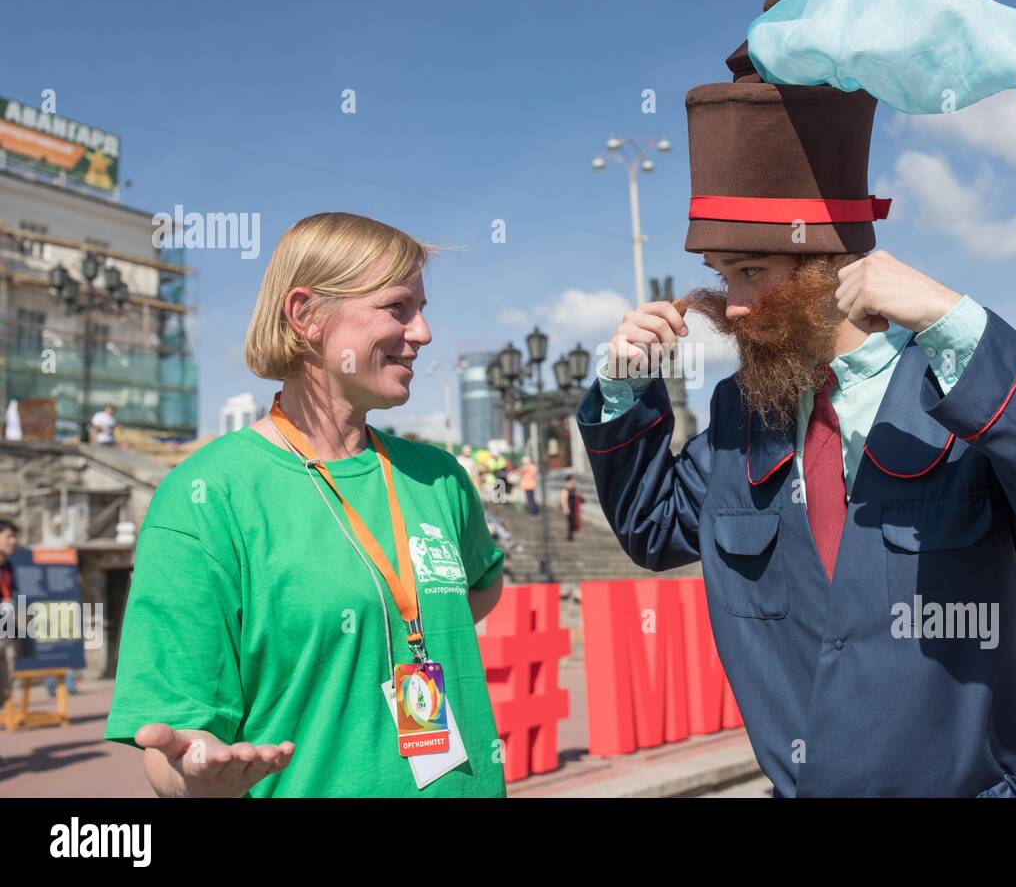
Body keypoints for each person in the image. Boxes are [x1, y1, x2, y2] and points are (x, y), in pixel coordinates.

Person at [576, 0, 1016, 797]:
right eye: (718, 271)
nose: (730, 305)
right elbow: (654, 530)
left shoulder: (962, 380)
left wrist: (958, 320)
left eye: (750, 269)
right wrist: (620, 391)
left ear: (829, 265)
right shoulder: (741, 412)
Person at [103, 212, 507, 797]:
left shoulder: (439, 477)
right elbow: (173, 744)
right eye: (398, 308)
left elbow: (482, 583)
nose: (423, 333)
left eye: (423, 309)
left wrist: (396, 627)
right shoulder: (206, 497)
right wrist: (197, 780)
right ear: (305, 315)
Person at [0, 519, 18, 710]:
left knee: (5, 691)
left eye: (14, 537)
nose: (13, 541)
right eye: (8, 537)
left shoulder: (8, 566)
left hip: (5, 632)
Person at [560, 475, 583, 542]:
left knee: (573, 522)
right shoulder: (566, 489)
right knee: (570, 522)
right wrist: (565, 508)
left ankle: (570, 536)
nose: (574, 481)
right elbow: (564, 499)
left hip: (574, 509)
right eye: (573, 480)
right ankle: (569, 536)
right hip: (568, 508)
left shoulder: (574, 489)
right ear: (569, 480)